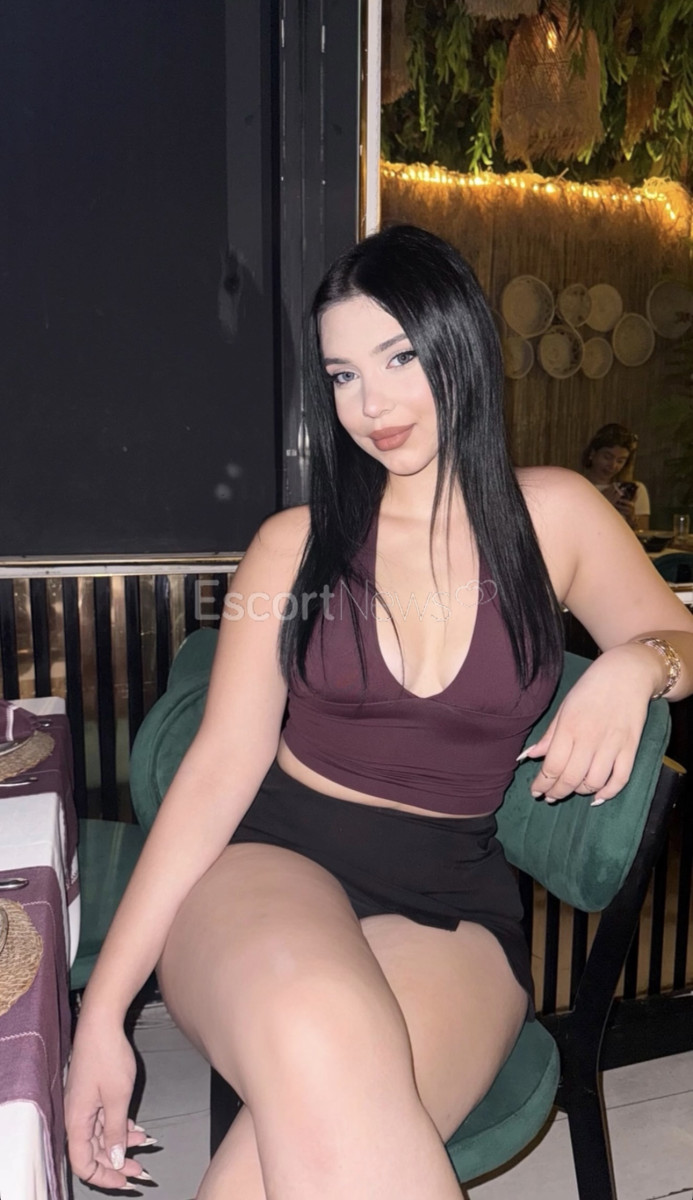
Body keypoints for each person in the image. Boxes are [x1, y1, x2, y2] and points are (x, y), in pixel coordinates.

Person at [65, 225, 693, 1200]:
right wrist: (102, 1017)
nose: (371, 404)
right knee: (317, 1025)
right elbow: (217, 774)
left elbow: (680, 638)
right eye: (343, 374)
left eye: (399, 358)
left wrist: (635, 665)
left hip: (454, 906)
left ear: (461, 345)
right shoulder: (292, 548)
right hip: (269, 867)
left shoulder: (558, 517)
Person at [581, 423, 651, 531]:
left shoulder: (635, 490)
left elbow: (644, 533)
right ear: (592, 453)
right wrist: (601, 503)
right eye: (607, 457)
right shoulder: (577, 487)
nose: (613, 465)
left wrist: (631, 518)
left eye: (620, 461)